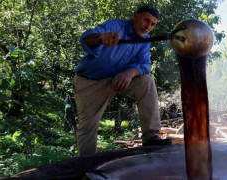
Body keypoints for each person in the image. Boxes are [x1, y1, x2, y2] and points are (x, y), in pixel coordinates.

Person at [73, 5, 172, 157]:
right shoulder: (114, 26)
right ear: (135, 16)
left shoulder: (145, 40)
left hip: (117, 79)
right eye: (146, 21)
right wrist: (100, 39)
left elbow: (144, 65)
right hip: (89, 82)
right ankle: (87, 168)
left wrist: (130, 72)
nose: (148, 27)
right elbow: (86, 39)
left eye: (153, 24)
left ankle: (150, 136)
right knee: (87, 128)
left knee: (146, 81)